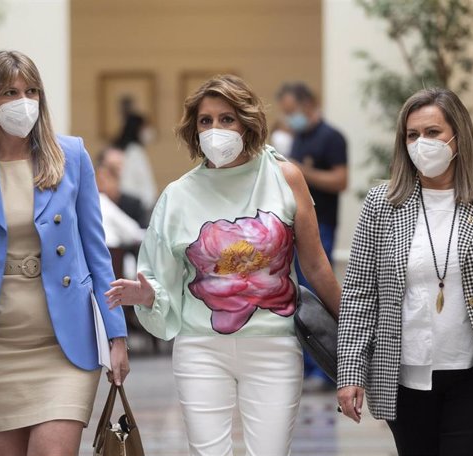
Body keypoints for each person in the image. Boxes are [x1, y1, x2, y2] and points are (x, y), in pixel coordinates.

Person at [106, 74, 341, 456]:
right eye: (206, 121)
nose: (216, 129)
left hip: (274, 347)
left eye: (226, 119)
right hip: (201, 348)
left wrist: (353, 337)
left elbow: (315, 267)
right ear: (194, 130)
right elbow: (159, 277)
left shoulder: (285, 178)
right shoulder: (178, 195)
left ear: (247, 123)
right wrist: (146, 294)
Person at [337, 88, 473, 455]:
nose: (422, 142)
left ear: (458, 135)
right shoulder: (382, 204)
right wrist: (351, 372)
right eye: (412, 135)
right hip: (404, 377)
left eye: (433, 132)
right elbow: (360, 294)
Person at [0, 50, 129, 456]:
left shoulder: (71, 156)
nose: (24, 101)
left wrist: (117, 335)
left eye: (32, 90)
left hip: (64, 348)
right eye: (10, 91)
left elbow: (97, 254)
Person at [277, 81, 348, 389]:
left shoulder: (331, 138)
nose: (290, 117)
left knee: (318, 292)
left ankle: (328, 366)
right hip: (294, 225)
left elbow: (340, 180)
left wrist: (301, 173)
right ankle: (308, 366)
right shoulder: (299, 139)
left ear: (309, 105)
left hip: (323, 224)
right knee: (299, 295)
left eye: (293, 111)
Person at [113, 112, 158, 210]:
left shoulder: (125, 150)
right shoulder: (135, 152)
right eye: (145, 127)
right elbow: (144, 182)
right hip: (136, 206)